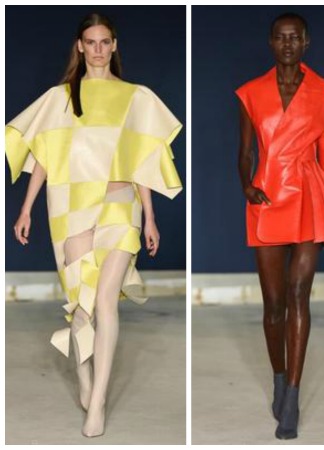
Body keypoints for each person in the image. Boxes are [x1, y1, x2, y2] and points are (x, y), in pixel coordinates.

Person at [5, 13, 182, 437]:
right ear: (80, 46)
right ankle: (83, 377)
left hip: (121, 206)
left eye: (105, 41)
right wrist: (26, 209)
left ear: (114, 45)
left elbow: (142, 161)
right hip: (71, 207)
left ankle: (97, 400)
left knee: (105, 301)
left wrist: (150, 217)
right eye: (91, 42)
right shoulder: (61, 97)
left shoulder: (136, 97)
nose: (99, 49)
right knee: (81, 306)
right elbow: (44, 156)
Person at [235, 12, 324, 440]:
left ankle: (294, 398)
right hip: (267, 198)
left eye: (295, 37)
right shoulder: (250, 93)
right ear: (271, 42)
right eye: (281, 37)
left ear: (306, 43)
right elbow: (245, 152)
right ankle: (279, 378)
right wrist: (246, 186)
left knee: (299, 292)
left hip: (309, 198)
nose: (287, 44)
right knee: (274, 304)